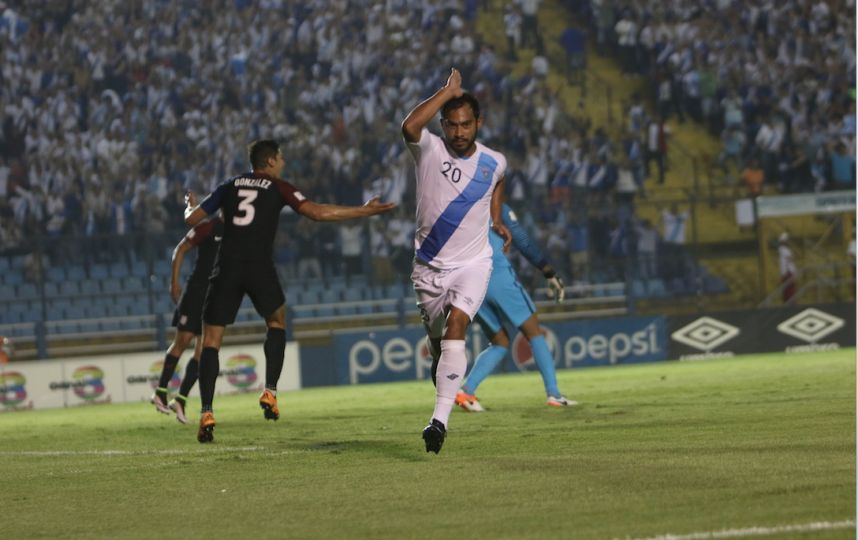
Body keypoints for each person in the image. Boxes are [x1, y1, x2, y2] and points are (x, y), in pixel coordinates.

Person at [184, 139, 395, 443]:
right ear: (269, 161)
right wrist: (363, 212)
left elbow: (192, 219)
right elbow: (317, 213)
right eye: (280, 158)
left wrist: (190, 204)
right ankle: (270, 391)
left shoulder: (228, 186)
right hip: (259, 267)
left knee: (211, 341)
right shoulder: (278, 187)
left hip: (227, 267)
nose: (283, 162)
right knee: (277, 322)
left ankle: (206, 411)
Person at [401, 68, 512, 454]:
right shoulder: (428, 148)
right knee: (440, 345)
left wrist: (496, 219)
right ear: (443, 124)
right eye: (452, 125)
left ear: (478, 123)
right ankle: (442, 367)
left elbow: (498, 182)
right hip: (429, 268)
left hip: (473, 264)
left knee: (458, 323)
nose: (460, 132)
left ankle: (438, 423)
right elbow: (409, 125)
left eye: (466, 124)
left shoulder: (494, 161)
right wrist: (446, 92)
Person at [454, 202, 575, 412]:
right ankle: (554, 394)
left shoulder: (455, 206)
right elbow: (521, 240)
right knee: (534, 332)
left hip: (467, 283)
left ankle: (467, 391)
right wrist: (547, 271)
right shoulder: (495, 205)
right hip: (497, 275)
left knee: (499, 341)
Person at [150, 194, 222, 425]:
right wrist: (174, 282)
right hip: (196, 292)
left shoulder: (237, 235)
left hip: (212, 295)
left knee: (203, 350)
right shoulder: (209, 228)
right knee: (183, 341)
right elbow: (180, 250)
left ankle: (180, 399)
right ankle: (160, 392)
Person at [778, 232, 798, 304]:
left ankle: (790, 303)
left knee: (789, 291)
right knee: (789, 291)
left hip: (787, 272)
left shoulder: (784, 250)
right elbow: (790, 259)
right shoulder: (784, 250)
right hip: (787, 273)